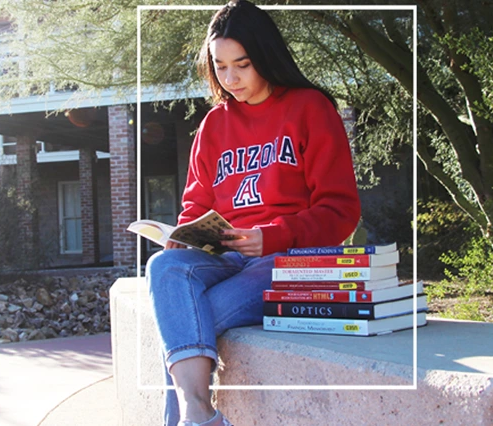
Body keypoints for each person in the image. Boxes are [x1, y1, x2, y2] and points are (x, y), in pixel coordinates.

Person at [146, 1, 361, 425]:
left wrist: (275, 234)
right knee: (164, 266)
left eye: (241, 64)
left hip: (286, 263)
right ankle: (201, 413)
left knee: (185, 319)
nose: (230, 78)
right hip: (223, 256)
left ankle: (194, 417)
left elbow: (342, 211)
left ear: (264, 54)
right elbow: (198, 204)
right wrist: (184, 232)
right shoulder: (214, 126)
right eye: (220, 67)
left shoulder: (309, 108)